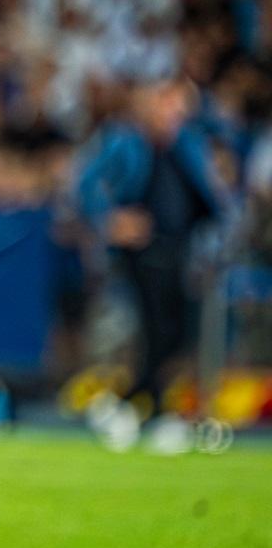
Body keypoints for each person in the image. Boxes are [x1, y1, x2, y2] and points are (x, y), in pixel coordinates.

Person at [75, 76, 229, 454]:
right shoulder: (126, 141)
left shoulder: (189, 144)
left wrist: (216, 243)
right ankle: (151, 411)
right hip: (142, 252)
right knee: (156, 330)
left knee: (177, 334)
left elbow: (211, 197)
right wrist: (110, 220)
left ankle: (128, 407)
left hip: (183, 250)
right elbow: (86, 185)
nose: (172, 113)